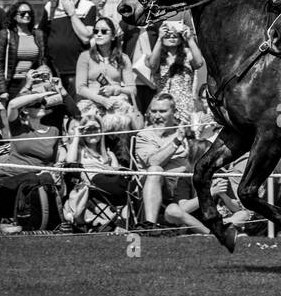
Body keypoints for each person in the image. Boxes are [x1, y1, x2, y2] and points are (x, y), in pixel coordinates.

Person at [133, 92, 192, 233]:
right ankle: (150, 226)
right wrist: (177, 141)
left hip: (186, 183)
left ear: (174, 112)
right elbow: (153, 161)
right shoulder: (144, 135)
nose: (157, 116)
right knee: (155, 170)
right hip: (158, 184)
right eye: (153, 111)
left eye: (162, 111)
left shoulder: (184, 130)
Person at [41, 0, 97, 104]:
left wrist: (72, 13)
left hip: (77, 69)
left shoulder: (88, 7)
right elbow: (42, 34)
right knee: (55, 108)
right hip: (54, 70)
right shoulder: (50, 6)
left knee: (77, 108)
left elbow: (85, 37)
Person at [77, 16, 141, 129]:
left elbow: (132, 90)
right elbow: (80, 88)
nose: (99, 34)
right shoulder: (85, 57)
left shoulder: (123, 58)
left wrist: (117, 89)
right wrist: (102, 100)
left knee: (121, 122)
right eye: (96, 31)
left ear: (112, 36)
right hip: (92, 104)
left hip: (118, 106)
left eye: (104, 31)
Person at [147, 20, 204, 125]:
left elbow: (199, 63)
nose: (172, 37)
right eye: (168, 35)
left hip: (185, 108)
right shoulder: (157, 55)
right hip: (162, 107)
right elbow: (152, 65)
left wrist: (190, 39)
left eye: (175, 35)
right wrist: (159, 38)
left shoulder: (187, 54)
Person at [0, 0, 46, 101]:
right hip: (12, 84)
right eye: (22, 13)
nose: (27, 15)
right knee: (13, 115)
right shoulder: (6, 34)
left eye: (29, 13)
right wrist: (2, 90)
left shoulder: (38, 35)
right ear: (14, 16)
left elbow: (42, 60)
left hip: (33, 83)